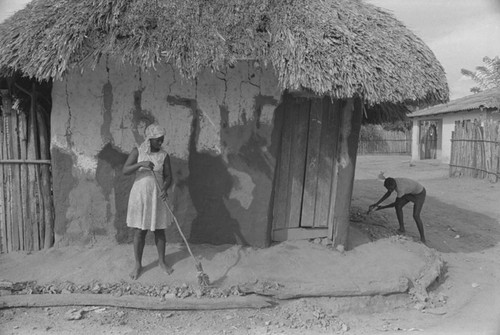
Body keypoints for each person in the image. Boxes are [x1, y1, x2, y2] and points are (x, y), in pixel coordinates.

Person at [123, 123, 174, 280]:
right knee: (140, 231)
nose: (160, 142)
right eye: (157, 139)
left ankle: (162, 261)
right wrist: (141, 164)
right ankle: (138, 265)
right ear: (150, 139)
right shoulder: (137, 151)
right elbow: (125, 170)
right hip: (140, 196)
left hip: (156, 195)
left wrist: (165, 188)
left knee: (159, 229)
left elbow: (169, 176)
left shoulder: (164, 155)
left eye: (162, 139)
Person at [369, 177, 426, 243]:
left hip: (420, 193)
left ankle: (423, 238)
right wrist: (376, 204)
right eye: (388, 189)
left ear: (394, 185)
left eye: (391, 188)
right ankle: (402, 229)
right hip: (410, 192)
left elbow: (395, 204)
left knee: (416, 215)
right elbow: (388, 193)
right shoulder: (393, 182)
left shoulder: (400, 189)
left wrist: (382, 207)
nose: (390, 190)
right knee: (398, 207)